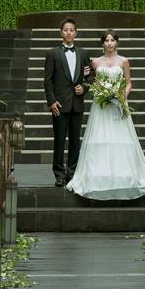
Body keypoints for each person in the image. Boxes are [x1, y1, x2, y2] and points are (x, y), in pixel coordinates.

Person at [67, 30, 145, 200]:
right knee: (100, 137)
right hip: (101, 105)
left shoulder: (123, 61)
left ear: (117, 42)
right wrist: (97, 87)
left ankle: (123, 173)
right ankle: (98, 174)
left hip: (118, 104)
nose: (109, 43)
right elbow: (90, 80)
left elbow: (128, 82)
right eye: (106, 40)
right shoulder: (95, 62)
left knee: (121, 138)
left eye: (112, 40)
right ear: (103, 43)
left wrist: (123, 95)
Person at [43, 18, 92, 187]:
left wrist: (84, 89)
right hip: (59, 105)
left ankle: (72, 173)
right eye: (66, 30)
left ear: (76, 33)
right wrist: (52, 101)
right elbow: (47, 80)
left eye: (72, 30)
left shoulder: (84, 54)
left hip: (77, 104)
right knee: (59, 140)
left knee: (75, 141)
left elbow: (90, 78)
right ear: (61, 32)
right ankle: (59, 174)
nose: (69, 32)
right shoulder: (52, 54)